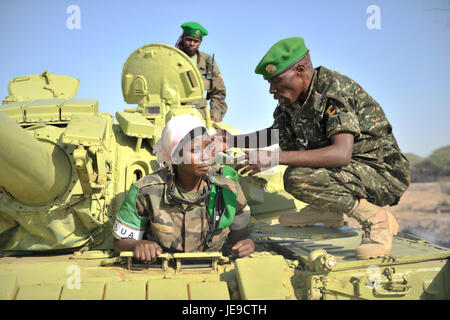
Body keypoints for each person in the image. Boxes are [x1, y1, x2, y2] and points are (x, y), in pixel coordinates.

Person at [215, 37, 410, 260]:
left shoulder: (334, 91)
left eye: (276, 81)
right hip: (350, 171)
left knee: (297, 177)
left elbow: (341, 154)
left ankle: (376, 219)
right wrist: (233, 141)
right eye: (269, 83)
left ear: (300, 70)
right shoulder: (293, 100)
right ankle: (328, 209)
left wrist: (274, 157)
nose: (271, 90)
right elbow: (276, 133)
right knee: (294, 161)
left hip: (381, 172)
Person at [113, 114, 254, 263]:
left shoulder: (227, 188)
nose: (206, 156)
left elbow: (241, 236)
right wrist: (137, 245)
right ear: (175, 157)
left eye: (208, 147)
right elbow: (119, 242)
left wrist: (247, 243)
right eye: (194, 151)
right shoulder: (145, 191)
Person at [175, 21, 228, 123]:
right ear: (183, 39)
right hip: (172, 115)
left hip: (199, 117)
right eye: (189, 40)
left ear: (200, 42)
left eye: (196, 41)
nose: (192, 44)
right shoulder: (171, 58)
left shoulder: (208, 62)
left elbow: (219, 93)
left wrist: (215, 115)